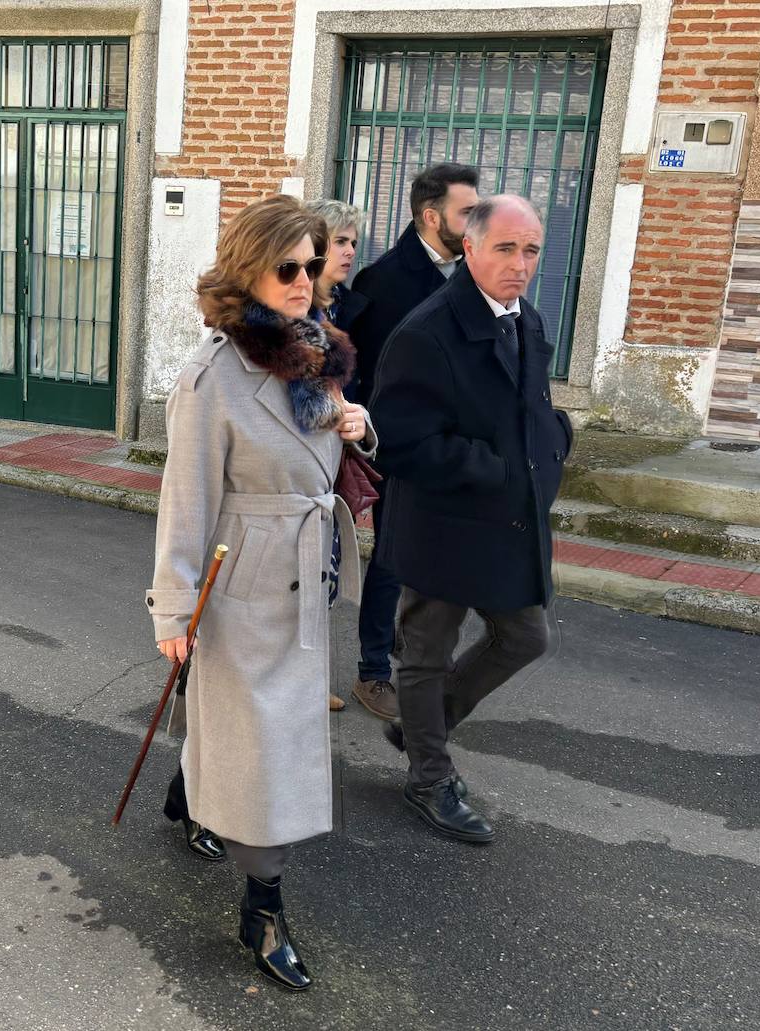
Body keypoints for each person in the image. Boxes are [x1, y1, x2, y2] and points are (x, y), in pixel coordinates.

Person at [148, 194, 374, 991]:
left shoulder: (316, 351)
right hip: (240, 582)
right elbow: (186, 499)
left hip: (307, 574)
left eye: (314, 264)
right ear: (249, 267)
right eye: (289, 266)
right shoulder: (212, 376)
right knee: (265, 751)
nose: (306, 279)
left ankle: (189, 790)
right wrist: (174, 609)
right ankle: (263, 906)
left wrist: (358, 424)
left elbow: (329, 432)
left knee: (253, 736)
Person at [370, 194, 571, 845]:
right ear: (472, 248)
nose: (520, 263)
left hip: (509, 523)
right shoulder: (426, 332)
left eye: (531, 249)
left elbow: (533, 409)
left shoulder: (527, 320)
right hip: (443, 523)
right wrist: (493, 471)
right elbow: (397, 440)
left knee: (526, 635)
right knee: (427, 650)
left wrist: (556, 442)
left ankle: (420, 725)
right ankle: (429, 775)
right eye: (506, 248)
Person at [345, 163, 481, 723]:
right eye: (466, 212)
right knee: (392, 561)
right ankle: (373, 673)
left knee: (435, 558)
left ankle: (415, 650)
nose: (477, 221)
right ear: (431, 216)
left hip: (449, 448)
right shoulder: (384, 282)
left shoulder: (471, 272)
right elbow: (367, 374)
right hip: (396, 448)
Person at [306, 197, 367, 713]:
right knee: (306, 579)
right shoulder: (299, 316)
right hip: (302, 472)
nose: (349, 251)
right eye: (340, 241)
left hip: (333, 463)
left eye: (352, 241)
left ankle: (310, 677)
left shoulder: (345, 307)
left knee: (322, 577)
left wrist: (357, 418)